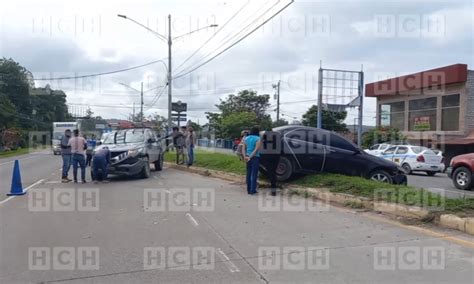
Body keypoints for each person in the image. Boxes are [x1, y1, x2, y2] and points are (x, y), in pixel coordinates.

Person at [242, 126, 261, 195]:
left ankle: (248, 190)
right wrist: (250, 157)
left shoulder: (246, 138)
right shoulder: (258, 138)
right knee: (254, 174)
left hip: (247, 157)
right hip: (255, 157)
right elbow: (256, 150)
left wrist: (245, 156)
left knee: (248, 173)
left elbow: (243, 148)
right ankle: (252, 190)